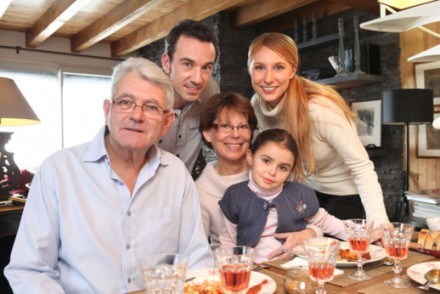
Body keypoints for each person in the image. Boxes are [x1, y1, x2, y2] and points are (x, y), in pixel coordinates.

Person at [4, 57, 213, 293]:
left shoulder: (176, 174)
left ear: (166, 122)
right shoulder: (58, 170)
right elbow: (30, 270)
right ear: (108, 110)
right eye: (125, 102)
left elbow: (197, 262)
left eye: (152, 107)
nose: (137, 115)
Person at [247, 32, 389, 226]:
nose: (268, 78)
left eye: (279, 67)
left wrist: (379, 223)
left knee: (328, 250)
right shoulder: (257, 105)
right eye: (259, 67)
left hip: (343, 194)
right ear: (249, 69)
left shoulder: (320, 110)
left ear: (292, 70)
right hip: (303, 191)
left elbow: (362, 167)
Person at [196, 93, 319, 259]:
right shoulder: (199, 192)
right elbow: (200, 253)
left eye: (243, 126)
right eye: (225, 126)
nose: (235, 134)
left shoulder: (273, 169)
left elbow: (313, 220)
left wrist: (307, 234)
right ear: (207, 133)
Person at [219, 129, 348, 263]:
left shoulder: (299, 194)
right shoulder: (235, 196)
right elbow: (228, 241)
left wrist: (362, 236)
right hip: (252, 270)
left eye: (283, 168)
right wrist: (231, 271)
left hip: (295, 266)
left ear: (290, 172)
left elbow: (326, 222)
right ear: (250, 157)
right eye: (266, 161)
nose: (272, 172)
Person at [158, 19, 220, 176]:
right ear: (167, 63)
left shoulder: (210, 91)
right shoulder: (145, 98)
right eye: (187, 64)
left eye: (206, 67)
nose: (198, 79)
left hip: (185, 192)